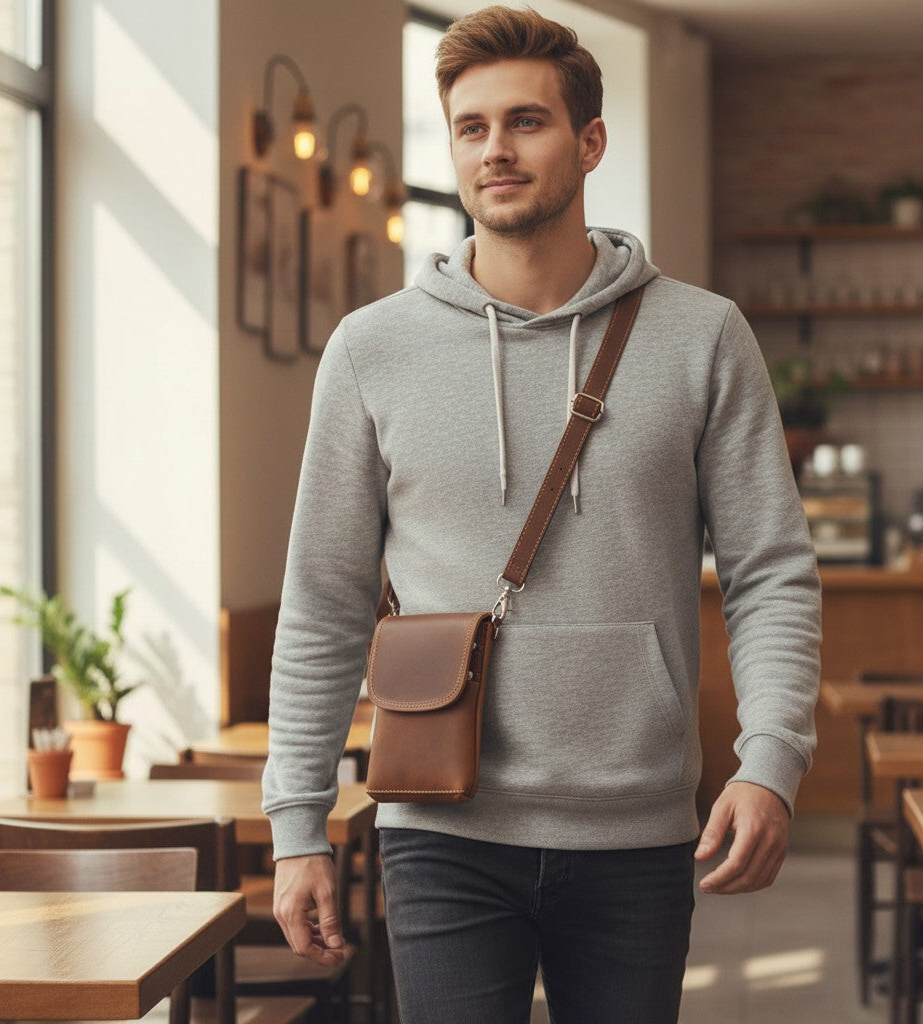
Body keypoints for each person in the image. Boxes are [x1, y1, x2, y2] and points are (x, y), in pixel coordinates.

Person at [262, 6, 821, 1022]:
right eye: (471, 127)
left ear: (589, 141)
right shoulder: (370, 350)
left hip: (637, 828)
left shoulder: (702, 336)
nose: (496, 150)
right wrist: (297, 823)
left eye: (526, 121)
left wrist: (770, 759)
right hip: (440, 824)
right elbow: (323, 600)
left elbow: (770, 571)